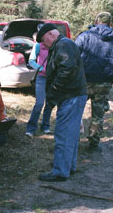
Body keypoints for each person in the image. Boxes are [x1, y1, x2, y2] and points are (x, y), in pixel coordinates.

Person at [37, 24, 87, 182]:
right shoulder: (64, 44)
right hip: (73, 95)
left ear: (51, 35)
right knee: (70, 134)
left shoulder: (64, 44)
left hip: (70, 96)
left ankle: (60, 171)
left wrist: (55, 88)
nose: (43, 45)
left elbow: (66, 68)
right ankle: (67, 166)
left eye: (44, 41)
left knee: (63, 133)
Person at [75, 12, 113, 150]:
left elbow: (74, 52)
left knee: (76, 111)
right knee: (98, 113)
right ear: (110, 24)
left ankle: (72, 139)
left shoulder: (84, 36)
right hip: (104, 81)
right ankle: (94, 141)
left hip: (84, 80)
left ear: (96, 21)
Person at [25, 29, 53, 137]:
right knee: (40, 103)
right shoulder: (38, 46)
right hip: (41, 78)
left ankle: (45, 126)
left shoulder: (55, 46)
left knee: (50, 103)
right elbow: (31, 61)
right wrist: (40, 68)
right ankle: (31, 128)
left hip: (52, 78)